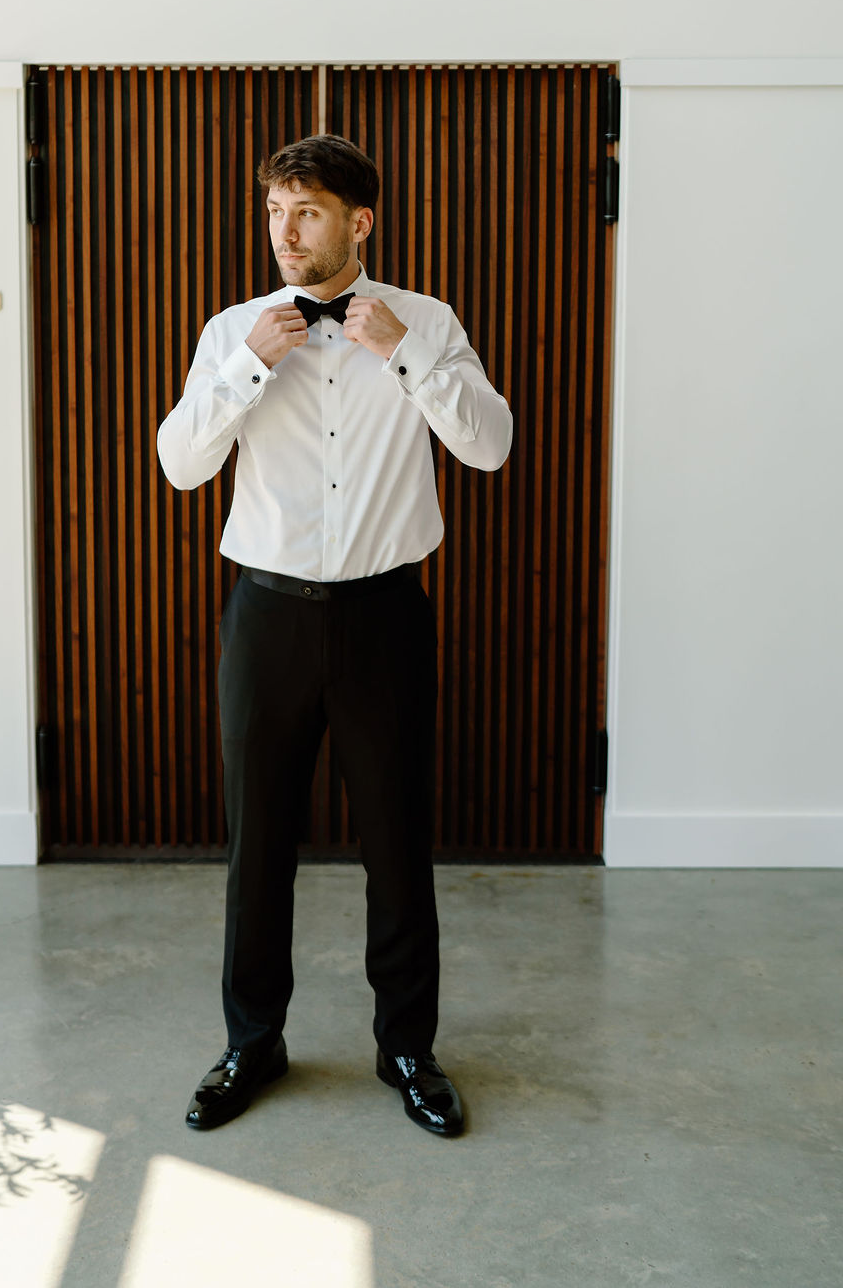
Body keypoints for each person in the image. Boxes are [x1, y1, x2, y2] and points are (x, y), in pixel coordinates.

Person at [157, 134, 512, 1137]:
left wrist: (401, 351)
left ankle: (407, 1043)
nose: (283, 229)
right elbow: (180, 462)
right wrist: (242, 371)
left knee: (398, 840)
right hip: (266, 614)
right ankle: (251, 1041)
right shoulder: (235, 328)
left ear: (360, 221)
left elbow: (488, 445)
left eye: (305, 210)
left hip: (386, 613)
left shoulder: (427, 322)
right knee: (256, 840)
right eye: (273, 210)